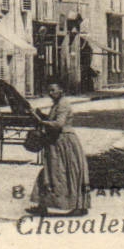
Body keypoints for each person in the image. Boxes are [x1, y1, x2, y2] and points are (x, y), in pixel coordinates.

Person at [29, 83, 90, 216]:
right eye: (49, 90)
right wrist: (40, 116)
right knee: (49, 173)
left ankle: (78, 206)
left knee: (65, 173)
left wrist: (41, 122)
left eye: (53, 90)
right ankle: (42, 205)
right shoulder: (57, 104)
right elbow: (54, 120)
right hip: (57, 143)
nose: (50, 93)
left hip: (64, 143)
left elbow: (58, 124)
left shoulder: (63, 104)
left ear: (61, 90)